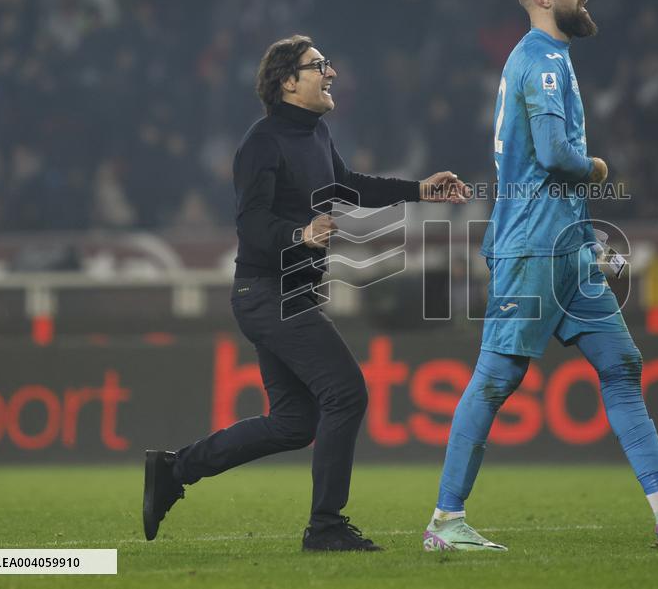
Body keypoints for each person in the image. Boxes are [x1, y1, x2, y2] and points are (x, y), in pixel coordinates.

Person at [423, 0, 658, 552]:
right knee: (496, 377)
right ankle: (446, 520)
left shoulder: (547, 57)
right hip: (534, 248)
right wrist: (596, 167)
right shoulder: (542, 62)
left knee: (621, 365)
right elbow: (554, 154)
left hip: (566, 247)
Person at [144, 35, 467, 552]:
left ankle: (174, 470)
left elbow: (348, 186)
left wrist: (419, 189)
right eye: (319, 65)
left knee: (294, 424)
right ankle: (325, 527)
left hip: (289, 293)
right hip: (265, 292)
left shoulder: (316, 133)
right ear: (288, 82)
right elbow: (251, 224)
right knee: (346, 392)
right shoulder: (261, 143)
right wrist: (300, 233)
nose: (331, 73)